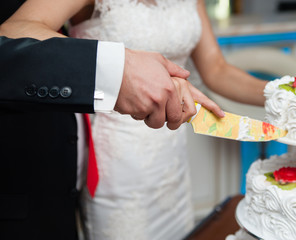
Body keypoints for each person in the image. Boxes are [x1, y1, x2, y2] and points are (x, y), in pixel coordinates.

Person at [2, 0, 267, 239]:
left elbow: (217, 69)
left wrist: (285, 95)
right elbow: (14, 31)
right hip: (118, 162)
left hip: (172, 156)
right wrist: (118, 65)